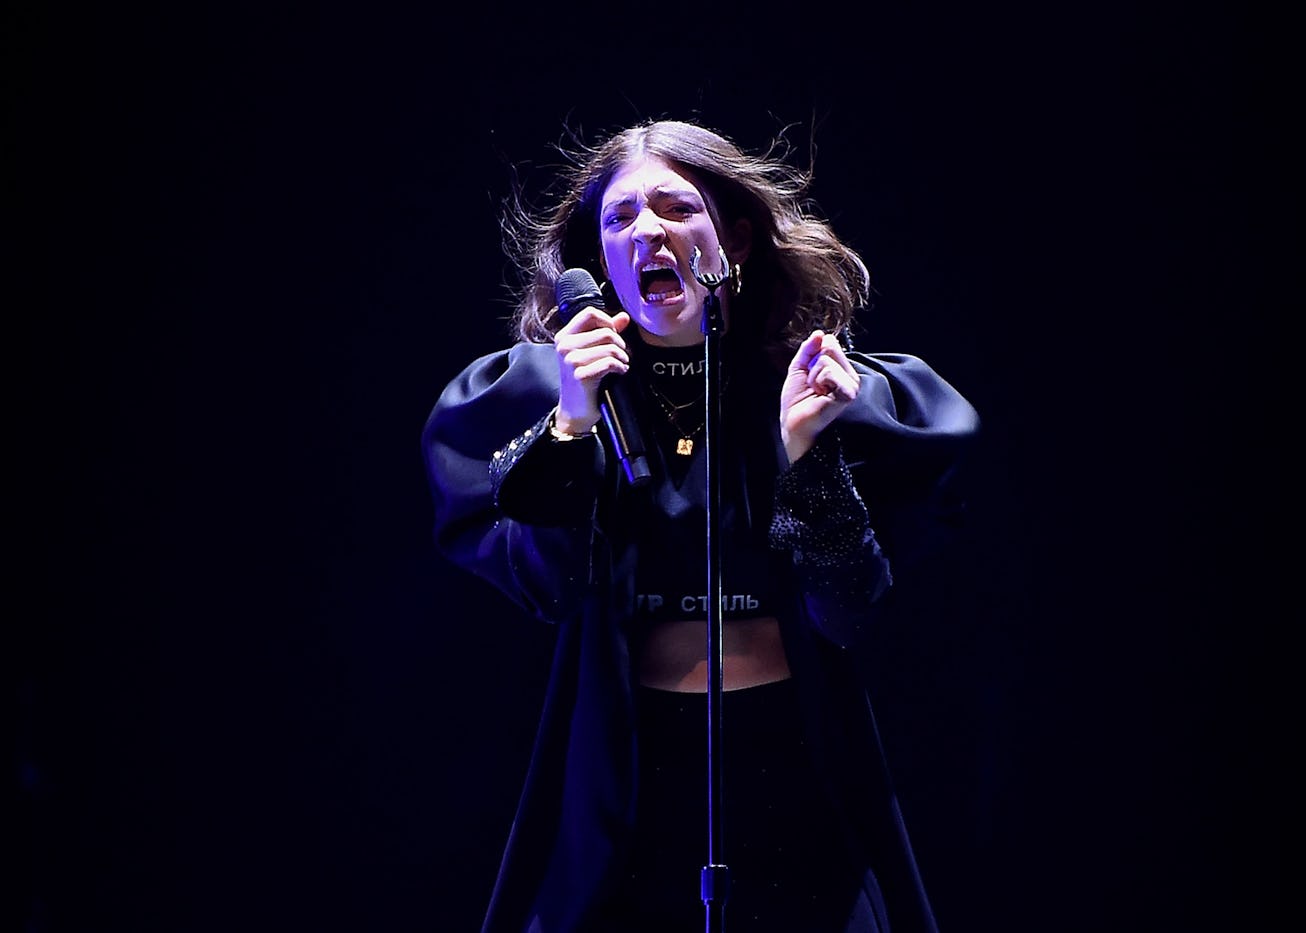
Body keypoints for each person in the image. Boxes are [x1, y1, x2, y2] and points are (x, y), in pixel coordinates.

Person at [421, 118, 980, 933]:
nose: (649, 230)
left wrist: (807, 459)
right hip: (634, 771)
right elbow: (547, 587)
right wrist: (573, 430)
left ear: (736, 240)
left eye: (677, 208)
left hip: (793, 759)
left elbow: (853, 610)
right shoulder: (556, 395)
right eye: (620, 218)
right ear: (601, 261)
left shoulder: (807, 385)